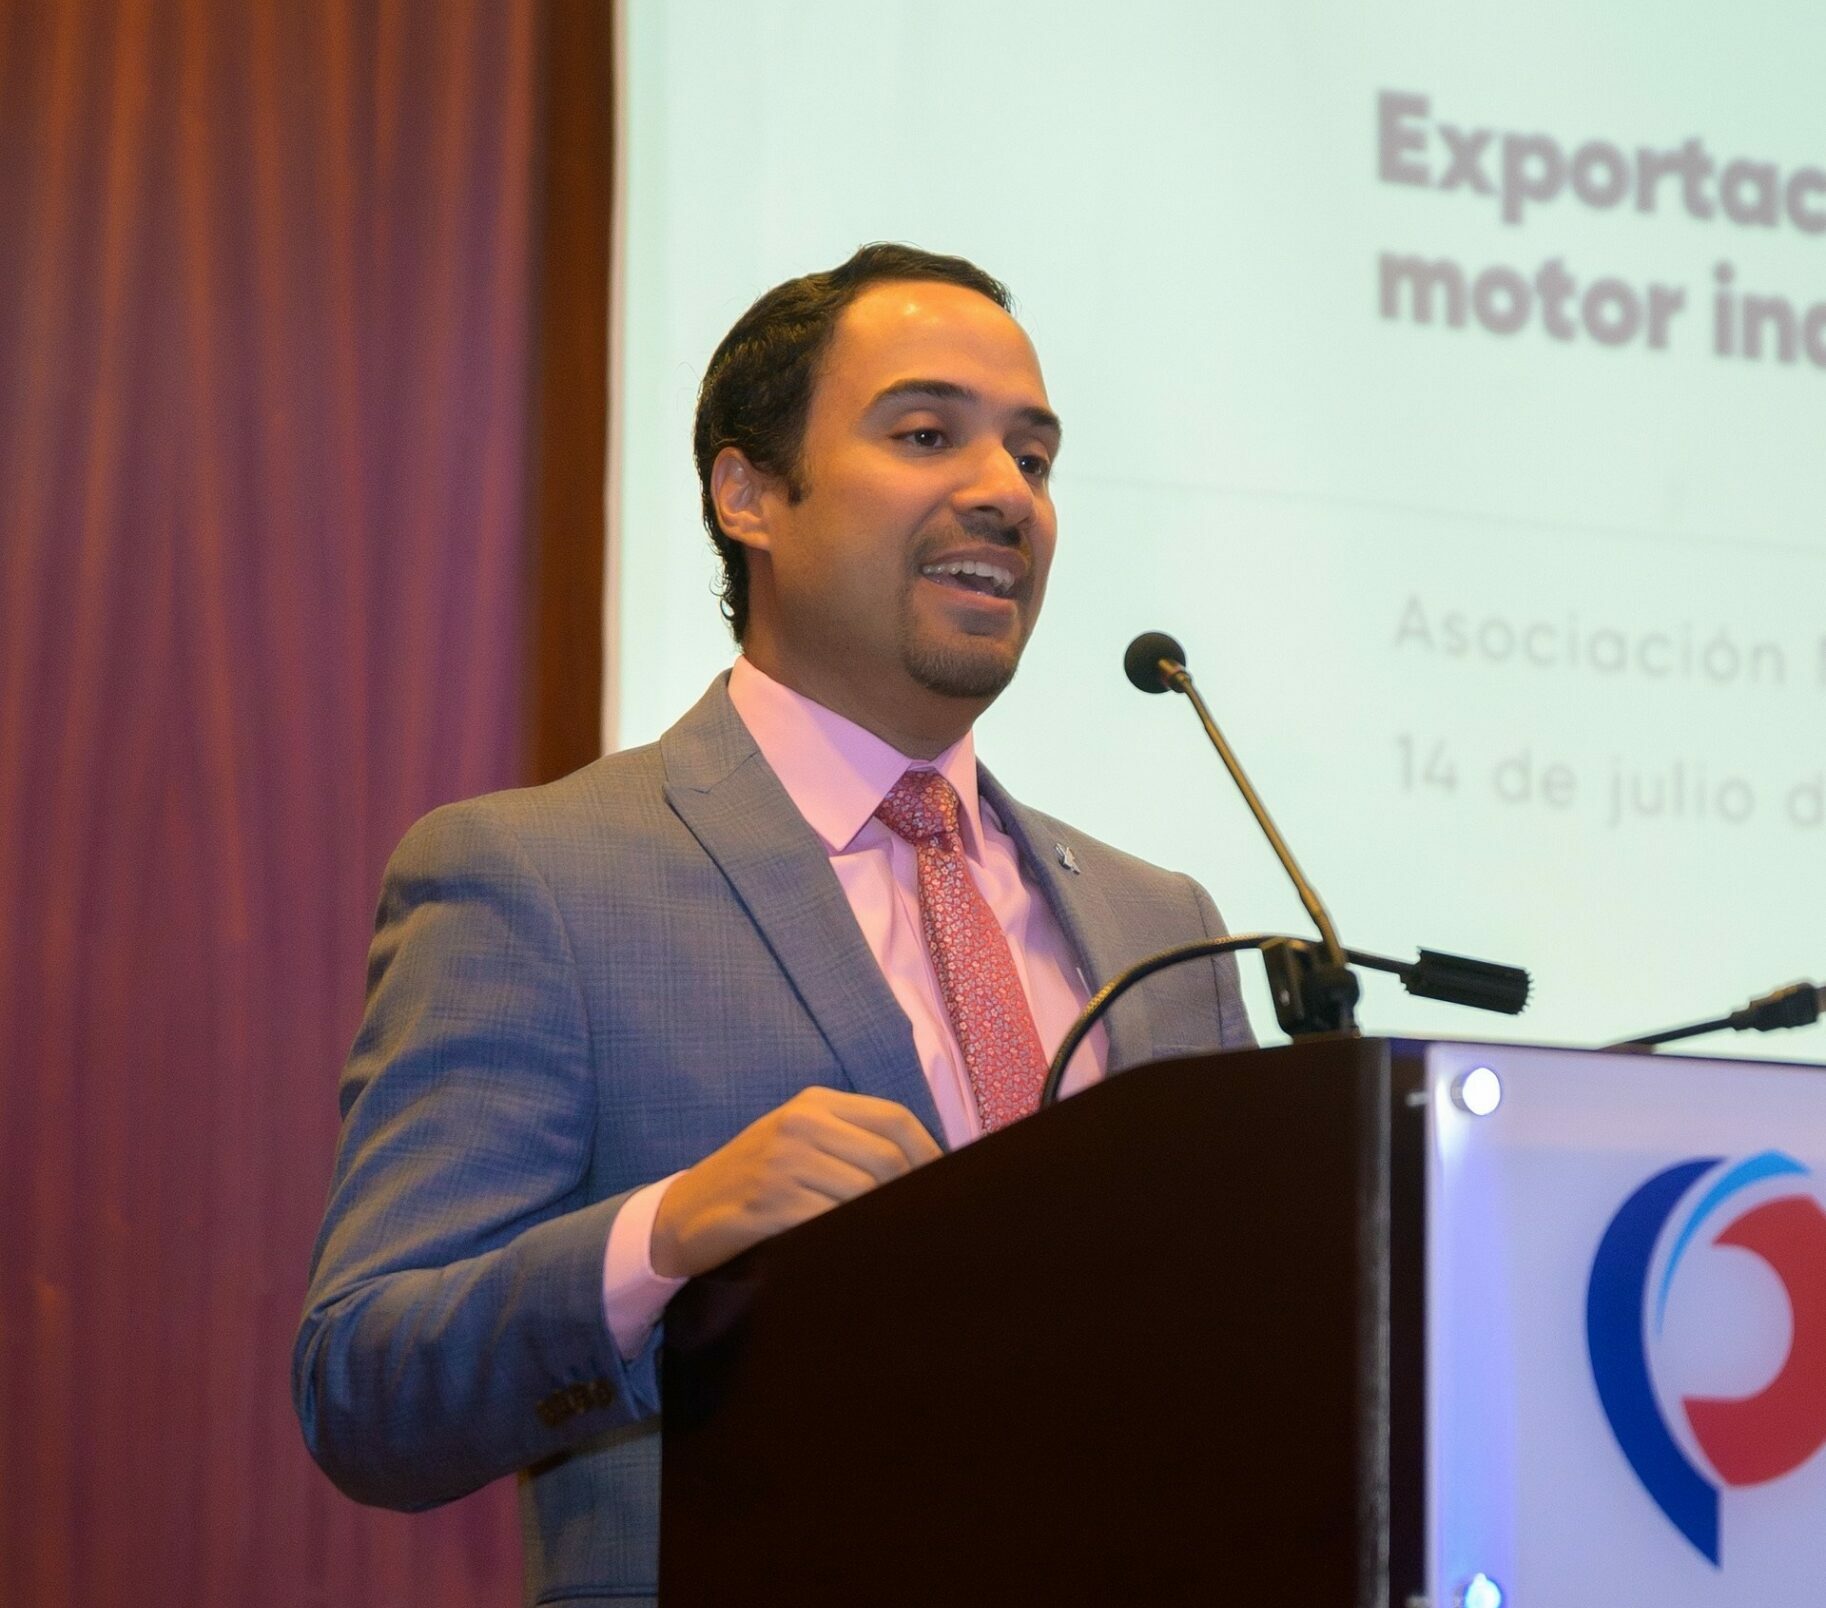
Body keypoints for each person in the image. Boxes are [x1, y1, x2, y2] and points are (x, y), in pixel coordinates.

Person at [293, 243, 1253, 1606]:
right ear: (746, 495)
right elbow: (367, 1389)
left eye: (1034, 459)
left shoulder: (1166, 931)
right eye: (925, 436)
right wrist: (664, 1236)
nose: (1005, 493)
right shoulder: (538, 879)